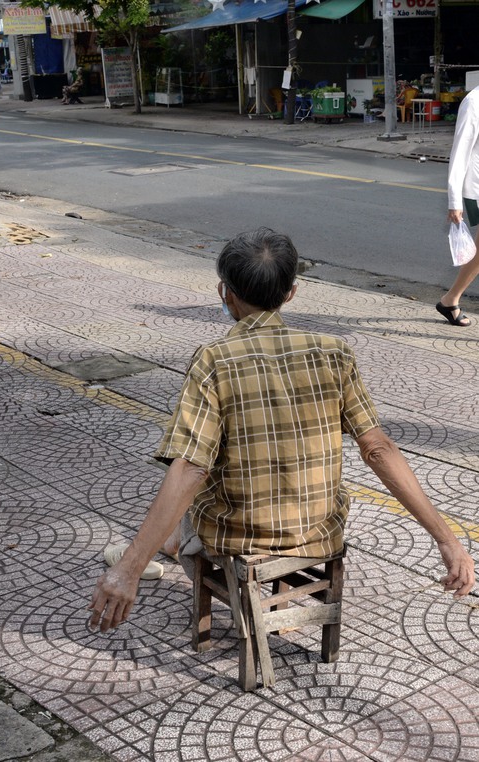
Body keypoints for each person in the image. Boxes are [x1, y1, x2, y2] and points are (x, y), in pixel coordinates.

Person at [89, 228, 475, 633]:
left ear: (225, 293)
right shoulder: (334, 352)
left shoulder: (214, 360)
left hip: (239, 537)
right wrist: (447, 540)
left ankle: (167, 548)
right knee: (210, 467)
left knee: (188, 469)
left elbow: (190, 469)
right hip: (317, 531)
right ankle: (199, 556)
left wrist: (129, 570)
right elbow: (378, 449)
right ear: (291, 292)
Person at [436, 81, 479, 326]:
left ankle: (450, 299)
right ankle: (450, 299)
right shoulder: (474, 102)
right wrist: (454, 201)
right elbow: (460, 152)